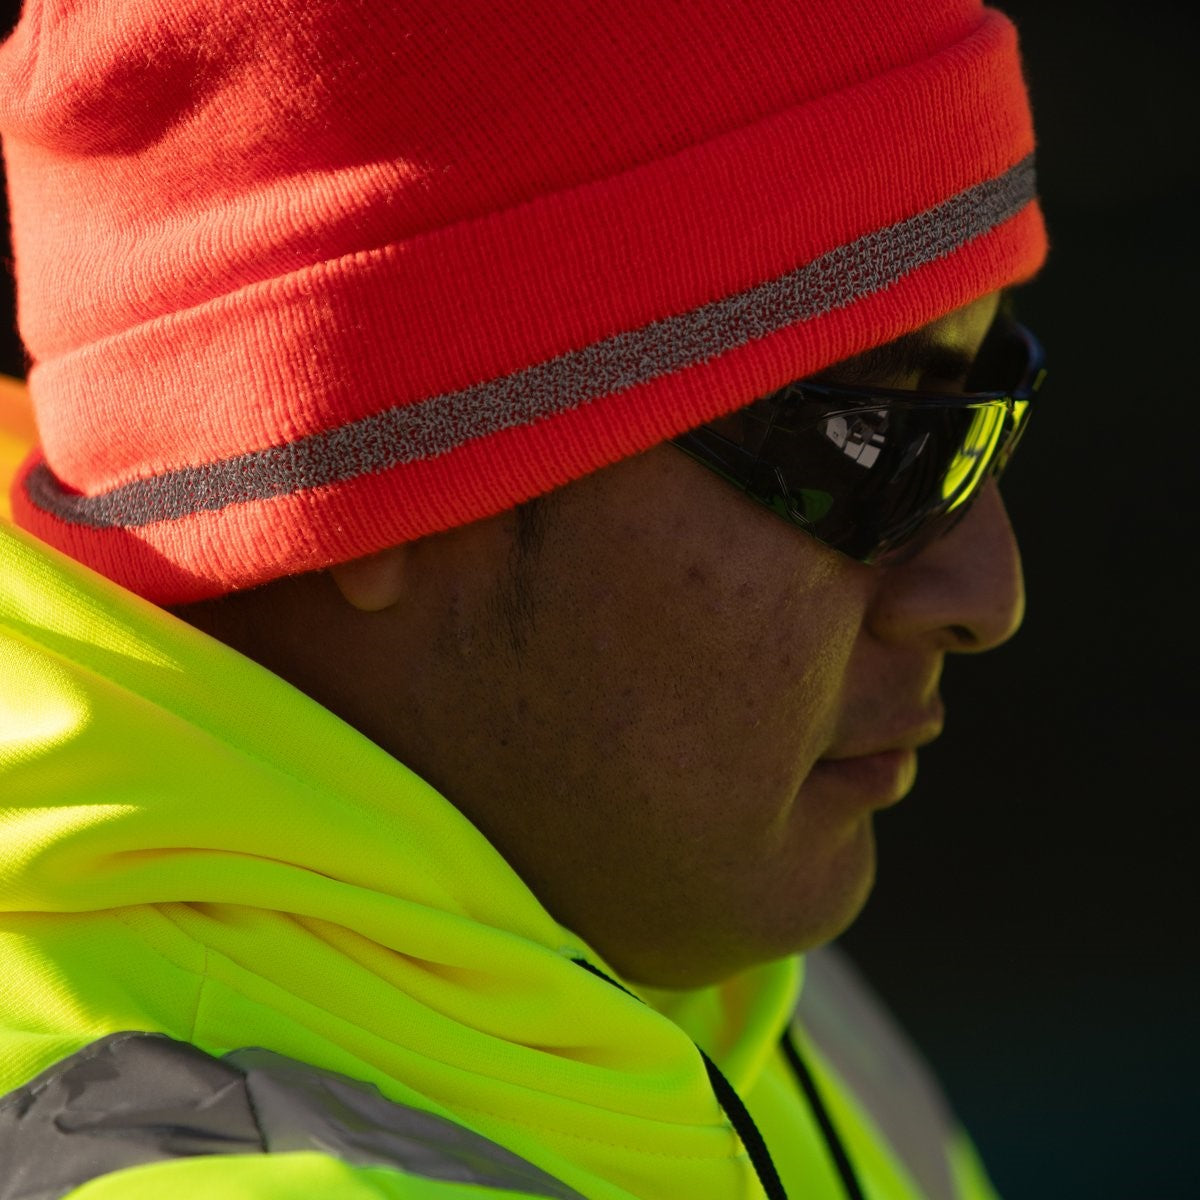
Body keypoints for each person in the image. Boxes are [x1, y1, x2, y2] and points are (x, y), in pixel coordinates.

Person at [0, 1, 1047, 1196]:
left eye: (997, 396)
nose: (986, 594)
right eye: (872, 446)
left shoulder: (699, 943)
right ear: (364, 464)